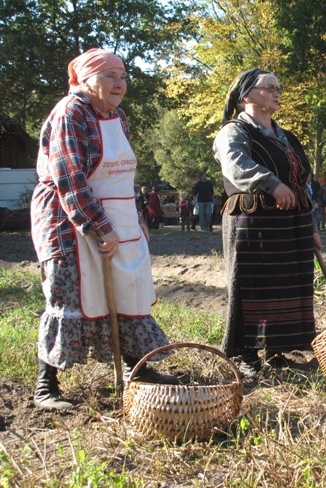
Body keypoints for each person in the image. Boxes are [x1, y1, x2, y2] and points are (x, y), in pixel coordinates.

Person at [29, 49, 177, 410]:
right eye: (109, 76)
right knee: (68, 294)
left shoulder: (119, 117)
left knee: (127, 290)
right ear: (85, 79)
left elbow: (124, 176)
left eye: (123, 76)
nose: (119, 83)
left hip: (118, 218)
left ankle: (136, 369)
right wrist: (98, 226)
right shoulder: (70, 113)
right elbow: (70, 178)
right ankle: (46, 387)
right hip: (68, 221)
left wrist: (136, 222)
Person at [213, 68, 321, 376]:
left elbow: (303, 182)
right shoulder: (234, 131)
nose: (277, 92)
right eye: (269, 87)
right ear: (247, 95)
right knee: (252, 287)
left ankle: (277, 352)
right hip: (253, 221)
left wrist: (312, 226)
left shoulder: (286, 136)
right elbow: (236, 165)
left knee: (287, 285)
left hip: (291, 223)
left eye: (278, 88)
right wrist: (271, 183)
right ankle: (248, 357)